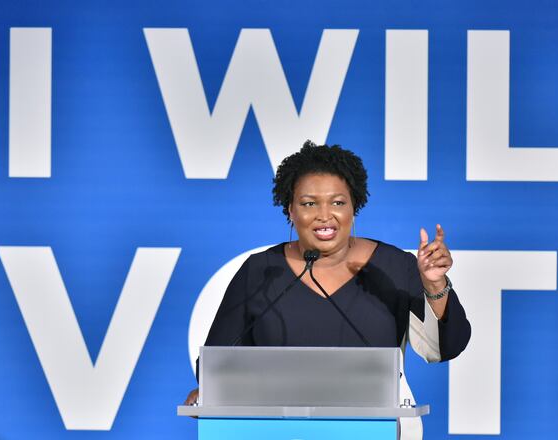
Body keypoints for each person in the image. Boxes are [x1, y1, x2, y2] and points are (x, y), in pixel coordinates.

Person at [184, 141, 471, 439]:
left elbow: (443, 348)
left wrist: (435, 284)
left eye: (338, 202)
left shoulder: (394, 266)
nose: (325, 215)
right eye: (309, 203)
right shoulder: (261, 271)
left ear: (354, 207)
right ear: (290, 210)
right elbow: (216, 363)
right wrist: (210, 391)